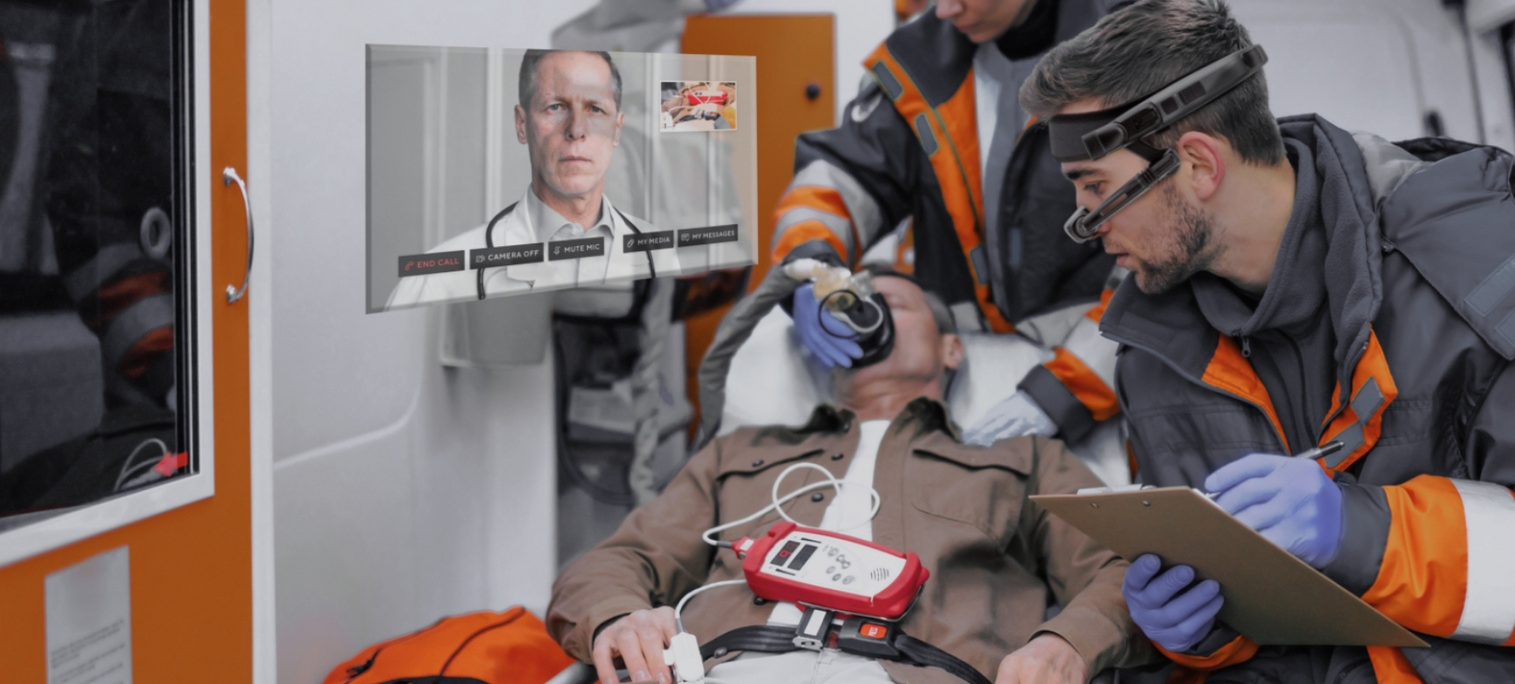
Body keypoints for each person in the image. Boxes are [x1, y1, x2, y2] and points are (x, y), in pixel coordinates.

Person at [1018, 1, 1515, 682]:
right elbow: (1249, 604)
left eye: (1094, 189)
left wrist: (1366, 536)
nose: (1085, 225)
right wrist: (1200, 633)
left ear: (1197, 165)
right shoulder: (1151, 352)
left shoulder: (1488, 279)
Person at [546, 273, 1148, 684]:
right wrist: (618, 616)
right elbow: (608, 566)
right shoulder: (740, 452)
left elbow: (1126, 567)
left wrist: (1065, 645)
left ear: (951, 351)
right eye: (853, 304)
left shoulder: (1023, 461)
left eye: (894, 303)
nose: (867, 316)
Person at [769, 0, 1129, 448]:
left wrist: (1065, 391)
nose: (945, 10)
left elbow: (1166, 262)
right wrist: (810, 269)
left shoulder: (1137, 51)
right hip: (966, 389)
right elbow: (838, 182)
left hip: (1114, 379)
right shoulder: (916, 63)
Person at [386, 49, 680, 309]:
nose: (576, 129)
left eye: (595, 109)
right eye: (556, 107)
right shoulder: (435, 280)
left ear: (617, 130)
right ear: (522, 124)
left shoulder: (659, 255)